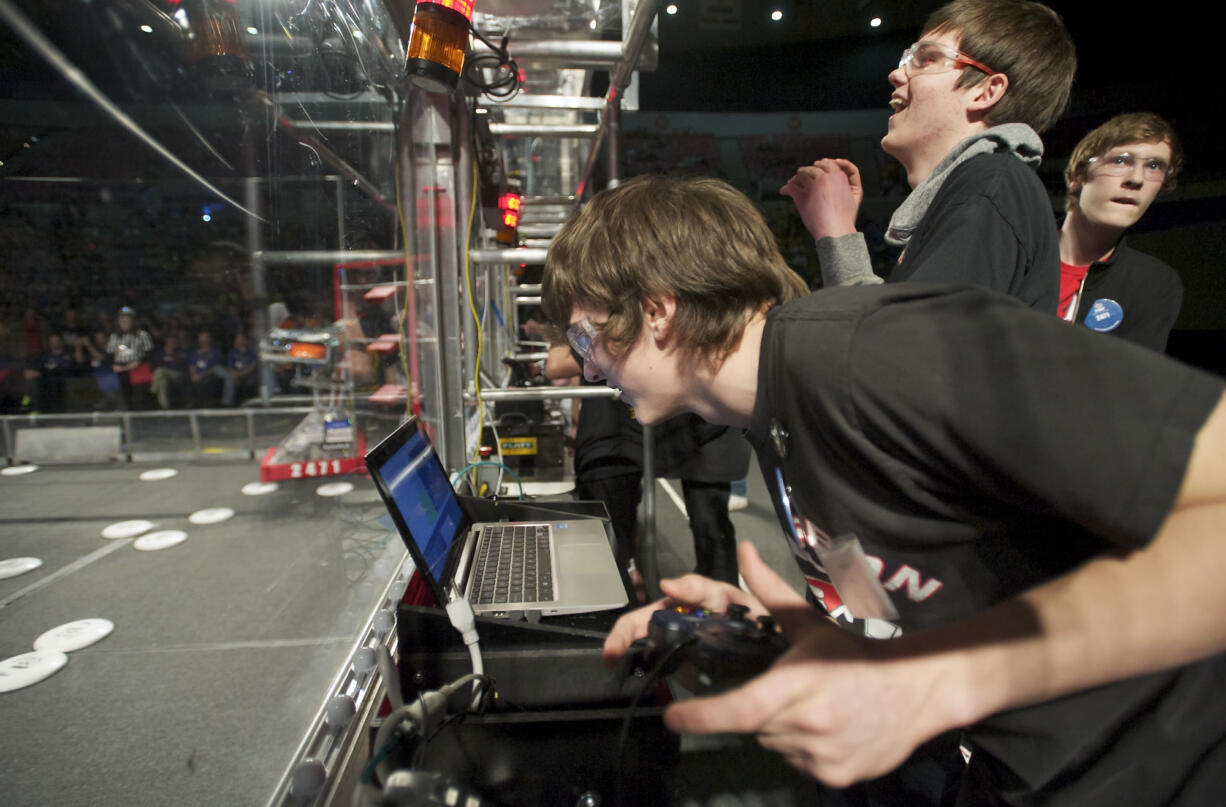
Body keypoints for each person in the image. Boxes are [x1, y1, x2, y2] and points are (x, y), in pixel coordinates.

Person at [541, 174, 1226, 807]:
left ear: (657, 310)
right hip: (1017, 773)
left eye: (584, 334)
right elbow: (899, 595)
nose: (586, 363)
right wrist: (783, 636)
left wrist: (943, 682)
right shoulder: (773, 415)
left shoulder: (874, 351)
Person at [781, 0, 1075, 312]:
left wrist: (837, 231)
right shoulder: (983, 186)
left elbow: (905, 346)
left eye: (927, 58)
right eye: (907, 59)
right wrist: (838, 233)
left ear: (986, 91)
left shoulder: (991, 183)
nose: (896, 74)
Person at [1059, 112, 1185, 351]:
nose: (1137, 179)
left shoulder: (1153, 284)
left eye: (1154, 166)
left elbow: (1127, 383)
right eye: (1120, 161)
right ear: (1077, 176)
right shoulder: (1013, 252)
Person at [106, 306, 154, 410]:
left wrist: (139, 361)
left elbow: (149, 352)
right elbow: (109, 354)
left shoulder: (142, 335)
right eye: (122, 320)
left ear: (133, 321)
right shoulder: (114, 336)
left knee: (140, 396)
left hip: (138, 368)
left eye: (127, 320)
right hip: (121, 368)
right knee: (124, 395)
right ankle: (127, 416)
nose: (124, 323)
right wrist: (114, 365)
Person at [149, 332, 190, 410]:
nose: (172, 343)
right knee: (162, 382)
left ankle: (152, 391)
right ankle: (165, 407)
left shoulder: (181, 351)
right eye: (170, 341)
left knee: (160, 371)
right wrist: (164, 360)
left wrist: (173, 358)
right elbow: (154, 364)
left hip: (179, 375)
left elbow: (184, 363)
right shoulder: (160, 352)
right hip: (162, 377)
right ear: (166, 341)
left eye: (174, 341)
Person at [222, 331, 259, 406]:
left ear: (244, 340)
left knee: (231, 379)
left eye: (239, 339)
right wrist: (234, 374)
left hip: (247, 376)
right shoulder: (232, 352)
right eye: (236, 339)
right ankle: (227, 406)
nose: (237, 340)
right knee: (228, 380)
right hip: (234, 376)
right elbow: (229, 367)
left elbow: (251, 368)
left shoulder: (251, 352)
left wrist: (238, 375)